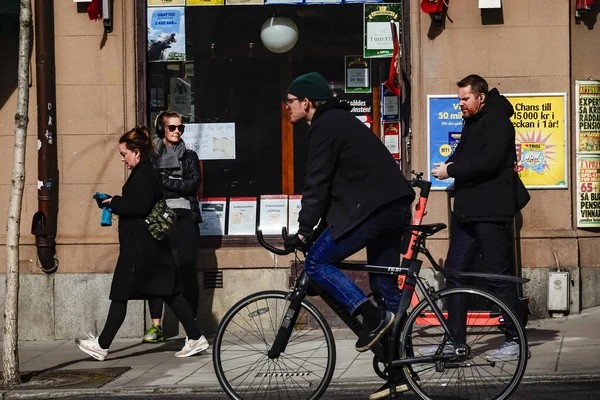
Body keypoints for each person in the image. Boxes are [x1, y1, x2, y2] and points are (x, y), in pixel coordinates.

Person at [283, 72, 415, 399]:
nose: (286, 108)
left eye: (290, 102)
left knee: (315, 263)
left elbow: (318, 184)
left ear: (307, 102)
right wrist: (314, 229)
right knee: (385, 287)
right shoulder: (339, 122)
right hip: (389, 207)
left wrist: (303, 231)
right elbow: (334, 187)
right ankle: (402, 369)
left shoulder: (325, 127)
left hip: (377, 209)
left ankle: (371, 317)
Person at [75, 126, 208, 361]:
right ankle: (196, 337)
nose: (123, 160)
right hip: (147, 247)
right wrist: (114, 202)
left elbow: (140, 206)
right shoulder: (144, 172)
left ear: (137, 152)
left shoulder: (145, 173)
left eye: (124, 154)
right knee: (170, 292)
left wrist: (114, 202)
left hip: (141, 249)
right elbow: (139, 204)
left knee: (121, 294)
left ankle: (102, 345)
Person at [431, 74, 527, 361]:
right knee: (455, 274)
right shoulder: (471, 121)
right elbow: (463, 157)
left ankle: (515, 339)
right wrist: (449, 165)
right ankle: (455, 341)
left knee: (497, 276)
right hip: (467, 211)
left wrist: (452, 170)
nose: (460, 103)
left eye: (465, 98)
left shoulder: (497, 121)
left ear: (480, 97)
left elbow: (489, 161)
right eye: (459, 98)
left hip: (490, 211)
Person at [141, 111, 202, 344]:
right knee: (158, 270)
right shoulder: (152, 157)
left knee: (187, 272)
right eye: (172, 128)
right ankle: (156, 326)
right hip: (158, 218)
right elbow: (152, 187)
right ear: (161, 130)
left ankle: (191, 328)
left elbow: (192, 185)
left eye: (180, 128)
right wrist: (175, 184)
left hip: (185, 217)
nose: (177, 131)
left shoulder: (190, 156)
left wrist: (164, 181)